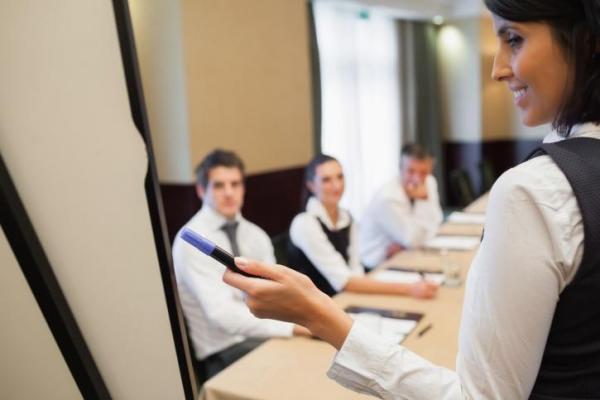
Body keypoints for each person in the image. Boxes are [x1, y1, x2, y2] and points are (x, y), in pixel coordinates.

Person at [223, 0, 600, 398]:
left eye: (514, 39)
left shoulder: (533, 190)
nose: (497, 69)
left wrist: (319, 315)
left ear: (586, 40)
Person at [171, 149, 309, 381]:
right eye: (219, 185)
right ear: (201, 190)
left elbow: (274, 296)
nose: (229, 193)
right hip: (223, 351)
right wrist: (292, 329)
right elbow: (222, 315)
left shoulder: (256, 235)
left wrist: (300, 321)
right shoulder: (191, 241)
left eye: (235, 184)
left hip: (266, 335)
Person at [287, 154, 438, 298]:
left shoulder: (346, 217)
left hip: (344, 298)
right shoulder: (305, 224)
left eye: (340, 177)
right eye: (326, 180)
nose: (337, 186)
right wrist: (410, 289)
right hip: (313, 307)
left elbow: (356, 271)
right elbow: (343, 281)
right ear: (311, 185)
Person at [359, 143, 443, 268]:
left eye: (424, 172)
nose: (417, 179)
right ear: (400, 169)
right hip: (377, 266)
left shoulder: (429, 182)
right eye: (411, 171)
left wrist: (407, 244)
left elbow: (437, 222)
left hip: (406, 255)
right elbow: (413, 240)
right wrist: (423, 200)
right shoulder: (388, 198)